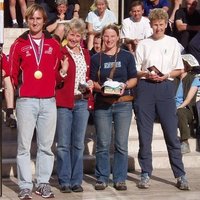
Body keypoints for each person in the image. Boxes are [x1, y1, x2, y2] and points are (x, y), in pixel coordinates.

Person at [9, 4, 68, 199]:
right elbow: (12, 73)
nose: (35, 22)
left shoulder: (53, 44)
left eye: (38, 19)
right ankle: (25, 185)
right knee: (24, 146)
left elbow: (58, 75)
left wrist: (62, 73)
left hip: (49, 101)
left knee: (45, 146)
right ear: (27, 20)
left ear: (44, 22)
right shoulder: (19, 43)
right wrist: (22, 90)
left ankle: (42, 183)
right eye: (31, 18)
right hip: (27, 101)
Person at [134, 8, 189, 190]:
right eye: (155, 25)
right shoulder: (143, 44)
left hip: (165, 88)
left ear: (166, 24)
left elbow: (178, 69)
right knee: (145, 134)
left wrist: (165, 75)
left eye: (161, 24)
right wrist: (147, 74)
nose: (158, 28)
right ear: (150, 25)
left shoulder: (173, 42)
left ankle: (180, 174)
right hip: (145, 88)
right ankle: (145, 173)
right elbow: (136, 69)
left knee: (172, 134)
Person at [90, 24, 137, 191]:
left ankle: (119, 178)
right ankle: (102, 178)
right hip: (103, 104)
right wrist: (99, 88)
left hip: (123, 104)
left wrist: (125, 84)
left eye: (112, 36)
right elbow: (92, 81)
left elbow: (133, 78)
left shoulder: (127, 56)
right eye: (106, 36)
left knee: (121, 144)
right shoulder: (96, 58)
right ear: (102, 38)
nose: (109, 40)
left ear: (118, 38)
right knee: (102, 143)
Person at [55, 18, 93, 193]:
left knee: (78, 144)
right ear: (66, 34)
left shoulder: (86, 53)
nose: (75, 38)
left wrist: (90, 83)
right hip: (64, 102)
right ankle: (64, 180)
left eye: (78, 35)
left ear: (82, 36)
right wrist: (62, 71)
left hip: (82, 101)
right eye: (72, 34)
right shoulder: (60, 52)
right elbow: (55, 79)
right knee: (63, 144)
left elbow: (87, 76)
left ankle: (76, 180)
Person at [175, 57, 200, 154]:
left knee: (180, 112)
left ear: (186, 66)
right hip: (171, 108)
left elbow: (188, 99)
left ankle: (185, 142)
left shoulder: (193, 79)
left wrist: (178, 107)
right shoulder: (173, 79)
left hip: (186, 109)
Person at [1, 53, 16, 128]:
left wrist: (4, 72)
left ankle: (10, 113)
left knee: (7, 79)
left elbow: (7, 70)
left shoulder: (2, 56)